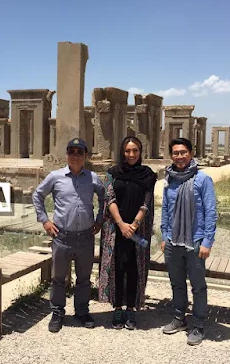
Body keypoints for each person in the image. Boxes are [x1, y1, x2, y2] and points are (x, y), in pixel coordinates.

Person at [32, 137, 105, 333]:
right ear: (66, 155)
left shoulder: (93, 178)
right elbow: (37, 195)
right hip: (62, 236)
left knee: (83, 277)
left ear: (85, 156)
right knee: (58, 278)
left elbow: (104, 198)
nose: (75, 156)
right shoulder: (55, 177)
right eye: (71, 152)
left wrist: (100, 219)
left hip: (85, 237)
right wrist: (45, 221)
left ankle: (81, 311)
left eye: (79, 152)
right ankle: (57, 313)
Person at [161, 137, 217, 346]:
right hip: (173, 241)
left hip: (195, 241)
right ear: (171, 155)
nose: (180, 156)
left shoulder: (203, 180)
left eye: (183, 152)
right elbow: (166, 208)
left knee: (198, 286)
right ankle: (179, 318)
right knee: (176, 283)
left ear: (191, 154)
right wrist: (165, 234)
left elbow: (211, 212)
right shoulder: (170, 178)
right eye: (176, 153)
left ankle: (199, 324)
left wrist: (207, 241)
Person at [98, 136, 157, 330]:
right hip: (116, 230)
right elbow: (110, 198)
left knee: (134, 269)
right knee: (117, 267)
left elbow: (146, 202)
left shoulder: (148, 175)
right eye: (127, 151)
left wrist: (134, 224)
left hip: (137, 231)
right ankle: (117, 307)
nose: (131, 155)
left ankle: (131, 308)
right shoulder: (112, 174)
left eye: (135, 151)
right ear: (122, 152)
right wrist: (121, 224)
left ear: (141, 152)